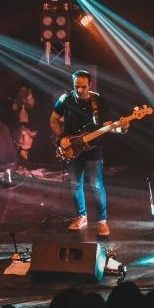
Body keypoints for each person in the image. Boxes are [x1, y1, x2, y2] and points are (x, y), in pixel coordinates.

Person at [51, 70, 114, 237]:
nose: (79, 90)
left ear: (90, 85)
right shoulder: (65, 99)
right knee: (75, 185)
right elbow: (53, 119)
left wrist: (121, 127)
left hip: (93, 149)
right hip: (72, 148)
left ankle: (102, 221)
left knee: (96, 185)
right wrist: (61, 138)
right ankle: (81, 216)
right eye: (76, 86)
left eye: (83, 87)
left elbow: (108, 125)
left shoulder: (99, 101)